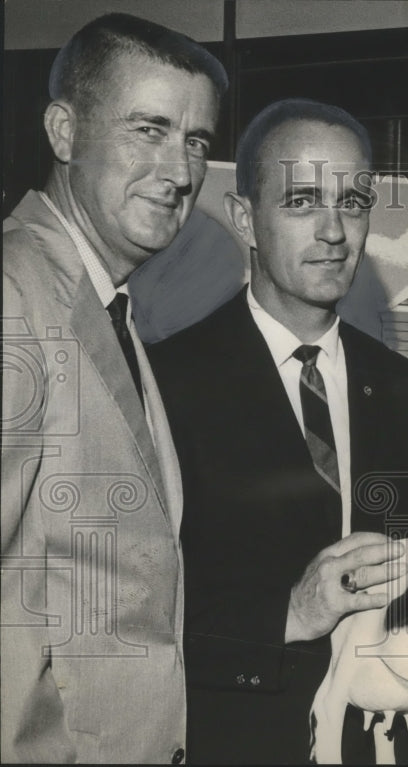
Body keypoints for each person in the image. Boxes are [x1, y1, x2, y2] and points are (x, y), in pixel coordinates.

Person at [148, 99, 408, 764]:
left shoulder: (405, 388)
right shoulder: (164, 384)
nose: (335, 230)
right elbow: (128, 623)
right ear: (245, 218)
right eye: (304, 200)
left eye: (353, 200)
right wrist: (289, 614)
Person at [1, 13, 225, 763]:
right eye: (149, 129)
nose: (181, 171)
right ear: (64, 133)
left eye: (196, 141)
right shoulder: (13, 294)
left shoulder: (109, 308)